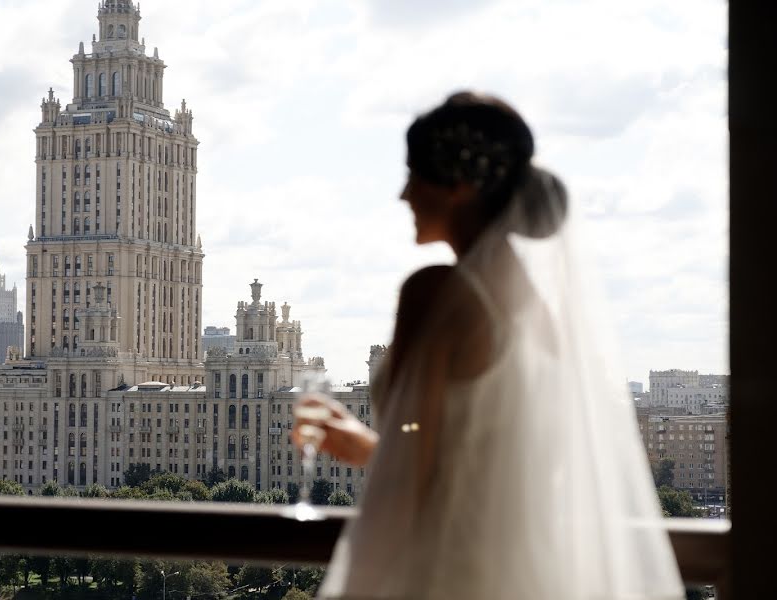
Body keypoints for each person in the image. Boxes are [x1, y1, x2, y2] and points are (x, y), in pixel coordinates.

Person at [292, 92, 684, 599]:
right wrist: (370, 445)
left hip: (441, 568)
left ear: (458, 186)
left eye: (414, 174)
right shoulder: (541, 313)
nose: (403, 195)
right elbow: (471, 456)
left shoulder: (435, 291)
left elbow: (412, 474)